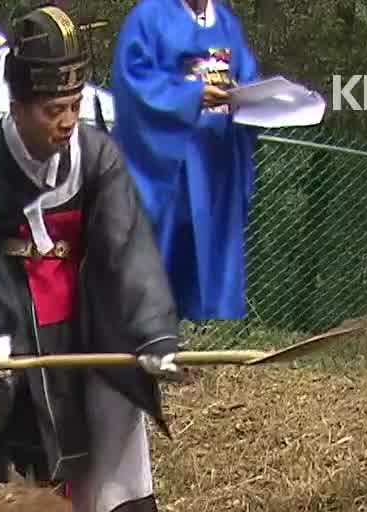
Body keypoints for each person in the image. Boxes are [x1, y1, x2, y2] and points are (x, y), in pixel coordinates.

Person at [0, 4, 184, 512]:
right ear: (18, 104)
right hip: (4, 311)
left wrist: (152, 334)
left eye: (74, 105)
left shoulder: (98, 156)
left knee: (106, 398)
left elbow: (126, 247)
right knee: (2, 406)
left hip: (80, 310)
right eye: (53, 110)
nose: (67, 121)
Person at [110, 0, 262, 323]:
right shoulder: (148, 17)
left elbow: (247, 76)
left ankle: (175, 337)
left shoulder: (225, 21)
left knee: (197, 253)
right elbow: (133, 82)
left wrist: (243, 93)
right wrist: (191, 97)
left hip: (213, 165)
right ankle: (142, 337)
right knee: (157, 251)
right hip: (165, 165)